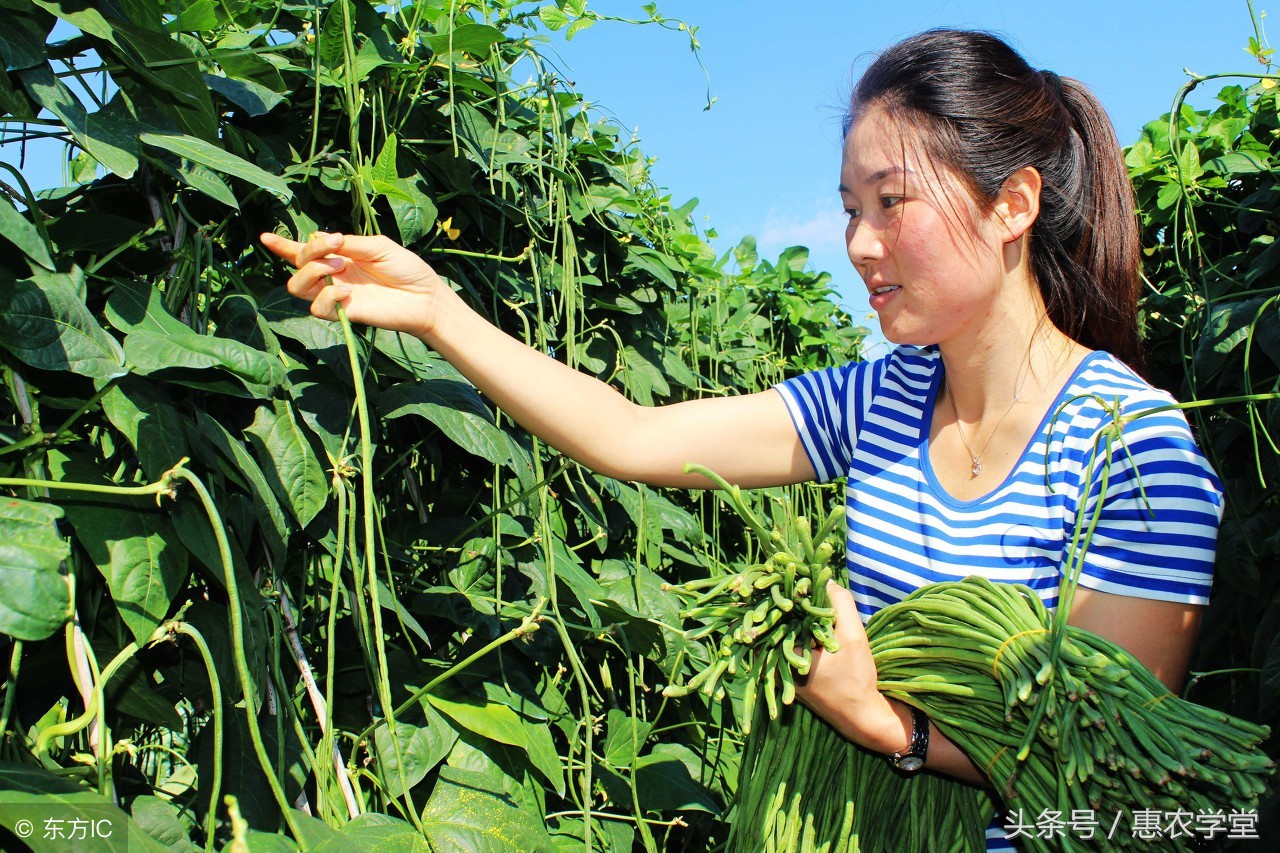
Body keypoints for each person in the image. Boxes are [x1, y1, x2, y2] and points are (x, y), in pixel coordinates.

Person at [261, 28, 1222, 849]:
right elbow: (630, 435)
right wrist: (440, 310)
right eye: (851, 208)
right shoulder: (879, 402)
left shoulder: (1133, 453)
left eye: (892, 202)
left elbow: (1106, 771)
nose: (859, 243)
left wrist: (886, 724)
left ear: (1010, 205)